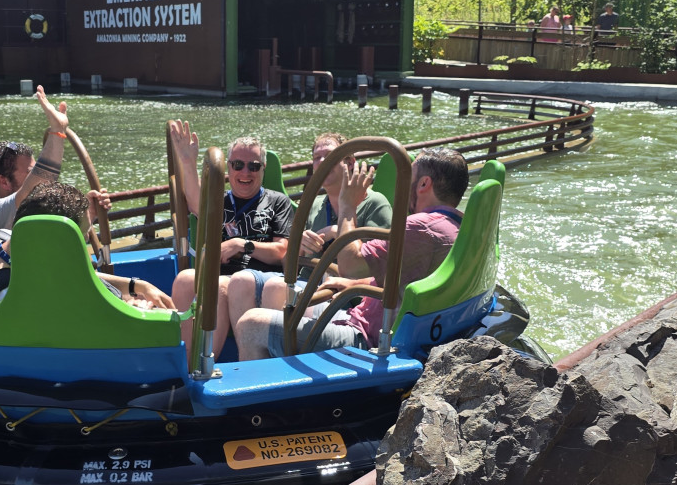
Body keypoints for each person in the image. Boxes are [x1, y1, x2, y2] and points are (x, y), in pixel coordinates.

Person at [234, 148, 468, 360]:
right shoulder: (457, 225)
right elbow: (406, 278)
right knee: (276, 291)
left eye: (408, 178)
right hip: (376, 320)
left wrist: (347, 207)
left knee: (251, 325)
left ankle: (268, 392)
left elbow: (350, 265)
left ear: (424, 183)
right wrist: (354, 284)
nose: (401, 186)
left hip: (368, 338)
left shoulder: (420, 227)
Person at [224, 132, 392, 330]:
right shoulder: (314, 205)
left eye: (329, 155)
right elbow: (288, 266)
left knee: (275, 289)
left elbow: (383, 269)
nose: (322, 162)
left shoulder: (374, 204)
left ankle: (279, 345)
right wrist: (299, 247)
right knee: (241, 280)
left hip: (342, 297)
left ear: (349, 163)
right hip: (305, 285)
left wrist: (337, 231)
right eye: (316, 158)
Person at [167, 121, 293, 358]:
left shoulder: (278, 202)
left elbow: (282, 251)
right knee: (185, 279)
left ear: (263, 169)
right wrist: (187, 161)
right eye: (238, 165)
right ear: (228, 168)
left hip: (259, 278)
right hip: (222, 274)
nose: (245, 172)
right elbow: (195, 203)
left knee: (224, 285)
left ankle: (205, 364)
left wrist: (242, 245)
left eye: (253, 166)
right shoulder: (219, 200)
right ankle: (186, 363)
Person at [0, 181, 175, 311]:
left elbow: (71, 274)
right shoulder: (14, 299)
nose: (87, 238)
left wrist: (137, 286)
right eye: (82, 234)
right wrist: (134, 308)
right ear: (56, 239)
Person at [0, 86, 71, 230]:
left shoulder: (25, 211)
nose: (35, 177)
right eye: (31, 173)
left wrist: (91, 212)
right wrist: (57, 131)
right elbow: (40, 182)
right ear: (4, 182)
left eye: (34, 173)